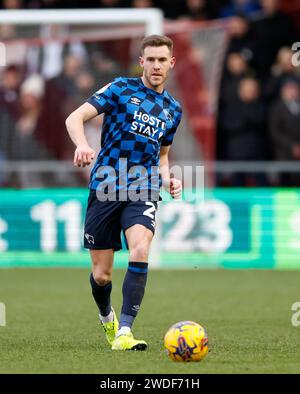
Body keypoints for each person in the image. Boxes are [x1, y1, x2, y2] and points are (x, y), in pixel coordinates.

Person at [65, 35, 182, 351]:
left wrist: (169, 179)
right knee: (102, 275)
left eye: (162, 60)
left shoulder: (173, 109)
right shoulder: (120, 88)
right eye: (151, 59)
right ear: (142, 62)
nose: (156, 65)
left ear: (171, 63)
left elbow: (162, 156)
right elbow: (74, 117)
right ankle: (108, 319)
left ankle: (125, 332)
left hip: (143, 185)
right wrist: (82, 144)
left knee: (140, 249)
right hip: (106, 184)